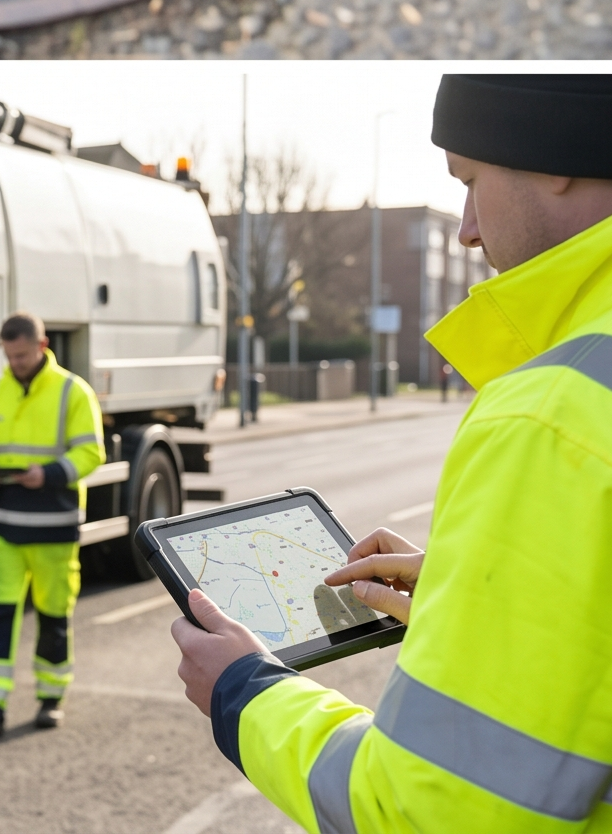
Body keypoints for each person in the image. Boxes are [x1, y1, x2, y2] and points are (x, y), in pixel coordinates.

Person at [170, 71, 612, 831]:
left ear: (553, 155)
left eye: (469, 181)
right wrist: (478, 592)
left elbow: (433, 809)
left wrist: (244, 691)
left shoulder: (553, 411)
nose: (468, 228)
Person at [0, 310, 104, 738]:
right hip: (3, 525)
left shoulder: (73, 392)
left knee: (54, 614)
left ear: (42, 346)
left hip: (54, 526)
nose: (15, 363)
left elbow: (91, 453)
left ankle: (51, 699)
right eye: (8, 355)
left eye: (21, 355)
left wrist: (48, 474)